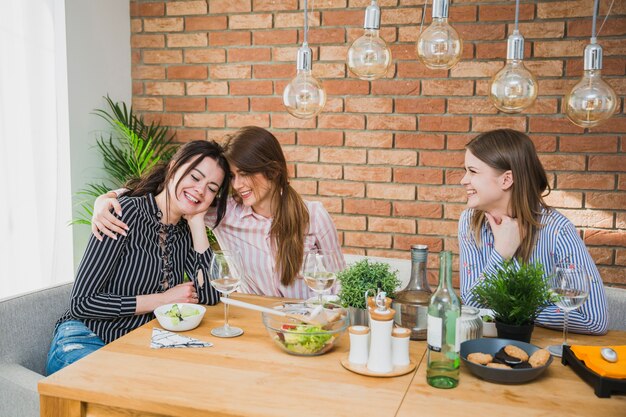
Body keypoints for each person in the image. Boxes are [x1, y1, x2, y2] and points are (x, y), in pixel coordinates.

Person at [92, 126, 344, 299]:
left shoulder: (314, 216)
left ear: (273, 171)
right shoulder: (226, 213)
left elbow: (340, 284)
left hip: (310, 327)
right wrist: (109, 198)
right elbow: (173, 193)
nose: (237, 185)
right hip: (255, 324)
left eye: (245, 173)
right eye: (233, 176)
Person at [46, 140, 230, 375]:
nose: (201, 190)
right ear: (173, 168)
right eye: (195, 177)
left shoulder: (184, 231)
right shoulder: (124, 213)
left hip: (132, 345)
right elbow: (82, 303)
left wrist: (196, 223)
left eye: (212, 188)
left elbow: (210, 296)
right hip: (84, 339)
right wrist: (162, 299)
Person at [458, 129, 607, 335]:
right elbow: (472, 305)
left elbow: (592, 319)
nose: (463, 180)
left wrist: (519, 311)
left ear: (506, 179)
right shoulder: (470, 223)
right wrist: (502, 253)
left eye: (473, 171)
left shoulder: (556, 230)